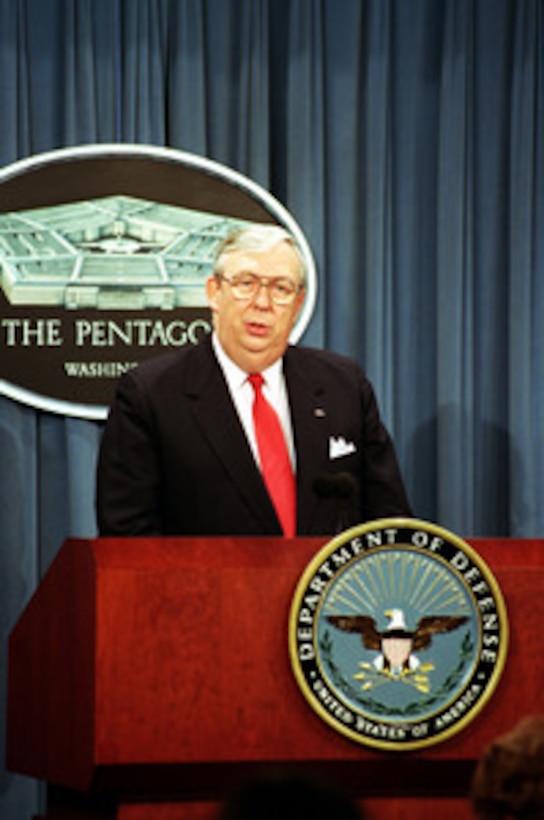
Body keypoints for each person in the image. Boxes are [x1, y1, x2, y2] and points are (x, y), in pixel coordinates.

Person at [96, 223, 412, 537]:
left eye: (281, 289)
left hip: (329, 587)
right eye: (246, 283)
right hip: (205, 587)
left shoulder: (343, 385)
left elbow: (389, 521)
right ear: (214, 293)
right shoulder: (151, 395)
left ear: (298, 304)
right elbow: (127, 538)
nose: (262, 303)